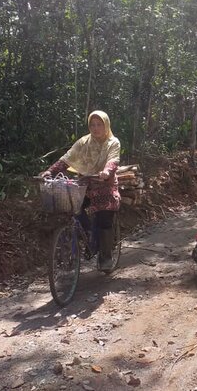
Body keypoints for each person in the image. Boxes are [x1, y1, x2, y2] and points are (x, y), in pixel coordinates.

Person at [40, 110, 121, 271]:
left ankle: (106, 257)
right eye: (92, 124)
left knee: (105, 218)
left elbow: (113, 160)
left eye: (99, 125)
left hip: (105, 185)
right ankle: (88, 234)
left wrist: (106, 172)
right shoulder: (83, 142)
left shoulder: (113, 142)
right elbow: (67, 158)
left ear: (106, 126)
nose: (96, 128)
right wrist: (50, 171)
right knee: (74, 208)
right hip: (84, 183)